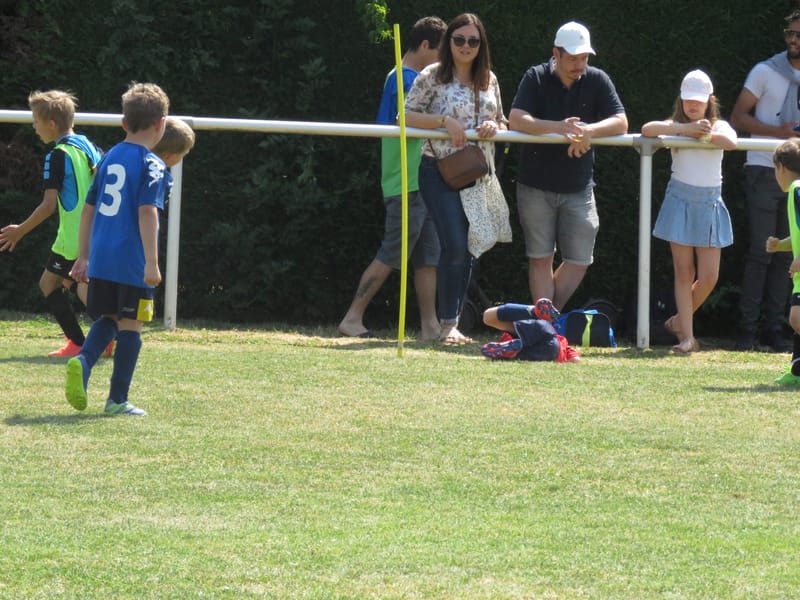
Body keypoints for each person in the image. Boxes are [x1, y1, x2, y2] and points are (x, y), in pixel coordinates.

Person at [64, 82, 176, 416]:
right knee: (131, 325)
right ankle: (117, 400)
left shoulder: (108, 157)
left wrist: (83, 255)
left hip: (101, 256)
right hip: (131, 260)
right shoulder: (152, 164)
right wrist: (152, 263)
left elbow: (88, 210)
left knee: (109, 318)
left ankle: (83, 362)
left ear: (124, 123)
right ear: (161, 124)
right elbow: (147, 212)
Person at [338, 16, 445, 341]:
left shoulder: (406, 77)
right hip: (406, 181)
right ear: (425, 46)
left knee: (428, 258)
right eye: (441, 52)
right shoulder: (405, 78)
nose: (443, 61)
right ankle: (352, 318)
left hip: (422, 180)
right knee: (392, 252)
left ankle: (430, 327)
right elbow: (409, 121)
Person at [509, 21, 627, 310]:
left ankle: (543, 321)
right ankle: (546, 325)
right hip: (535, 185)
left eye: (584, 57)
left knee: (579, 260)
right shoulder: (535, 77)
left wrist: (589, 131)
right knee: (540, 258)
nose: (579, 64)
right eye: (573, 58)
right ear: (556, 53)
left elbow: (621, 122)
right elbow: (516, 118)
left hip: (579, 187)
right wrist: (560, 128)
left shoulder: (597, 79)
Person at [405, 12, 507, 345]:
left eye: (473, 41)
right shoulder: (432, 75)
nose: (466, 46)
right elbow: (404, 116)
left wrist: (495, 127)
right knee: (453, 241)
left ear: (481, 45)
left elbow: (504, 122)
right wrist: (442, 122)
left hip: (477, 173)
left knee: (469, 246)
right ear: (449, 42)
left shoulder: (489, 79)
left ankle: (450, 323)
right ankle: (448, 324)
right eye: (459, 39)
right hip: (437, 168)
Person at [0, 90, 102, 357]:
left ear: (52, 124)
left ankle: (86, 341)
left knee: (51, 285)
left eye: (36, 121)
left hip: (72, 237)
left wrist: (19, 231)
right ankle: (100, 338)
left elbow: (48, 205)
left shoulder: (57, 155)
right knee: (73, 284)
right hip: (97, 230)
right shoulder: (87, 145)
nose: (34, 127)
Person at [641, 70, 737, 354]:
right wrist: (684, 130)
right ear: (681, 100)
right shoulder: (674, 126)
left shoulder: (721, 126)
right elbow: (648, 129)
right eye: (688, 101)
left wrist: (707, 134)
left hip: (709, 203)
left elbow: (731, 143)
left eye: (698, 101)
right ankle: (687, 338)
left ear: (710, 100)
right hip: (679, 200)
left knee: (709, 276)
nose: (693, 106)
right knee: (684, 273)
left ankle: (677, 322)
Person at [730, 9, 800, 352]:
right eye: (790, 33)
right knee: (762, 252)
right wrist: (778, 133)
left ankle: (777, 329)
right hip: (763, 169)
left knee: (789, 256)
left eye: (798, 34)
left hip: (798, 174)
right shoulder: (764, 71)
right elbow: (738, 116)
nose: (793, 40)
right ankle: (747, 332)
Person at [766, 138, 800, 383]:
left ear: (780, 167)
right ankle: (797, 372)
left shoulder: (798, 189)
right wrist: (781, 245)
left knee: (797, 319)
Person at [480, 298, 580, 362]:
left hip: (542, 331)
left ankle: (533, 311)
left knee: (487, 316)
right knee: (489, 317)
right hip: (552, 350)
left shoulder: (506, 337)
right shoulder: (562, 343)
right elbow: (575, 359)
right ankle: (512, 354)